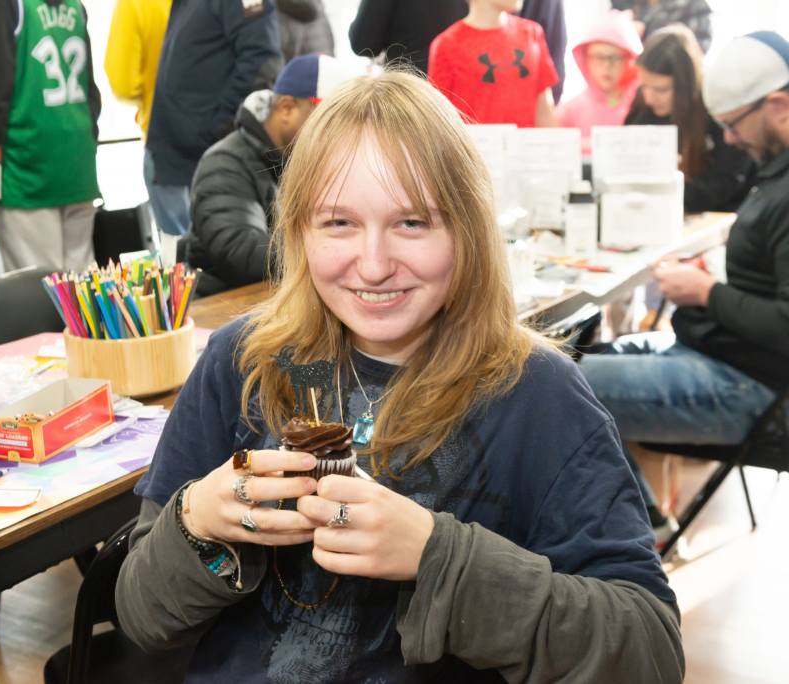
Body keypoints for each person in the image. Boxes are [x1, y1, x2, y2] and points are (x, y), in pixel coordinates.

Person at [115, 70, 684, 682]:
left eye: (412, 223)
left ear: (466, 231)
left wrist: (438, 560)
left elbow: (647, 651)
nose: (375, 264)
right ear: (300, 230)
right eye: (338, 223)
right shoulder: (239, 362)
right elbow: (144, 617)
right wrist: (194, 522)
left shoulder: (539, 397)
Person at [580, 32, 789, 542]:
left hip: (752, 392)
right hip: (726, 360)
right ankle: (644, 520)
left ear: (778, 105)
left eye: (732, 125)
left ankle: (641, 532)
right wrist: (713, 284)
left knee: (552, 387)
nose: (732, 140)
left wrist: (705, 292)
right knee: (572, 359)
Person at [186, 54, 351, 296]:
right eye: (327, 117)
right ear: (286, 108)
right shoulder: (224, 164)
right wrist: (338, 248)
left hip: (277, 302)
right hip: (223, 309)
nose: (337, 132)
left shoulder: (310, 162)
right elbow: (242, 253)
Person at [0, 0, 102, 272]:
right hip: (78, 168)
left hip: (26, 171)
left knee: (38, 301)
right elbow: (91, 94)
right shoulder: (75, 5)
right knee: (82, 302)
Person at [145, 0, 282, 258]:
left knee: (206, 261)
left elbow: (262, 63)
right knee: (176, 265)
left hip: (205, 151)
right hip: (171, 149)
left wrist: (218, 124)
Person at [625, 26, 756, 213]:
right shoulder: (644, 104)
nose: (648, 98)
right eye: (644, 86)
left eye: (661, 90)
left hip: (716, 215)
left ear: (686, 85)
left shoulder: (719, 110)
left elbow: (724, 184)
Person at [348, 0, 567, 102]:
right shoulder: (448, 43)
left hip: (409, 101)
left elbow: (364, 41)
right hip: (431, 109)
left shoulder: (527, 32)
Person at [428, 0, 560, 128]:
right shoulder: (447, 45)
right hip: (475, 148)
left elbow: (544, 110)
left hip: (526, 148)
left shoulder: (531, 34)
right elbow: (438, 120)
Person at [555, 9, 642, 154]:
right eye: (598, 57)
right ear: (585, 59)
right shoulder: (569, 111)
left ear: (629, 59)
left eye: (615, 58)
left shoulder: (644, 102)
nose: (606, 66)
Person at [104, 0, 170, 141]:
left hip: (162, 131)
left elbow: (123, 86)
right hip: (217, 130)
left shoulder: (133, 4)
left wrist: (146, 97)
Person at [612, 0, 712, 53]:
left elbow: (699, 46)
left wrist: (646, 34)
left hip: (668, 77)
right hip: (627, 79)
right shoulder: (626, 3)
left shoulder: (691, 3)